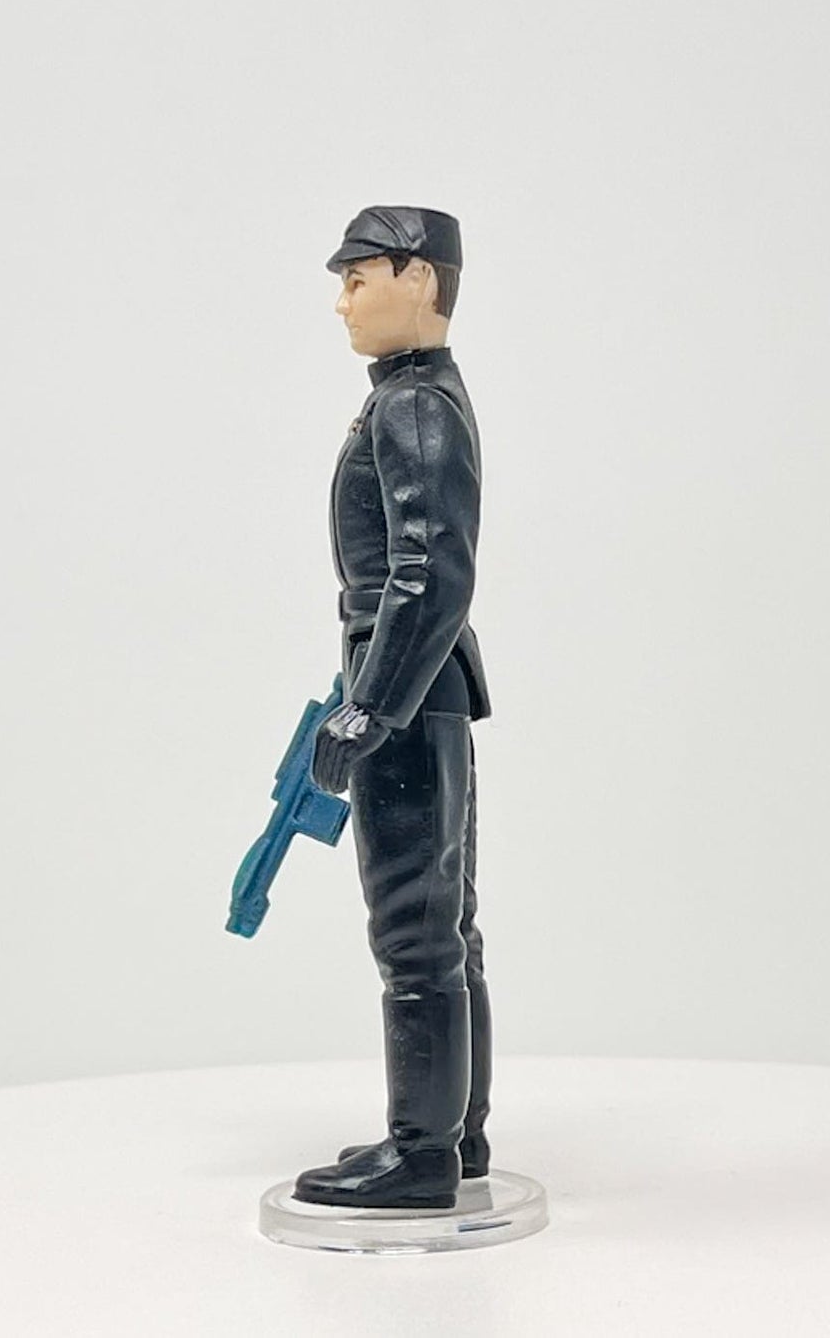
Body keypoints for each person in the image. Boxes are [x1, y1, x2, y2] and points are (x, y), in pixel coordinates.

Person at [295, 206, 493, 1209]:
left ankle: (420, 1155)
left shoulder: (412, 405)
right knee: (445, 923)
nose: (342, 301)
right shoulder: (415, 397)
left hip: (406, 695)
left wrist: (367, 708)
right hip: (422, 687)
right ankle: (456, 1136)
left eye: (357, 277)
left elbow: (429, 574)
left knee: (414, 931)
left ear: (417, 278)